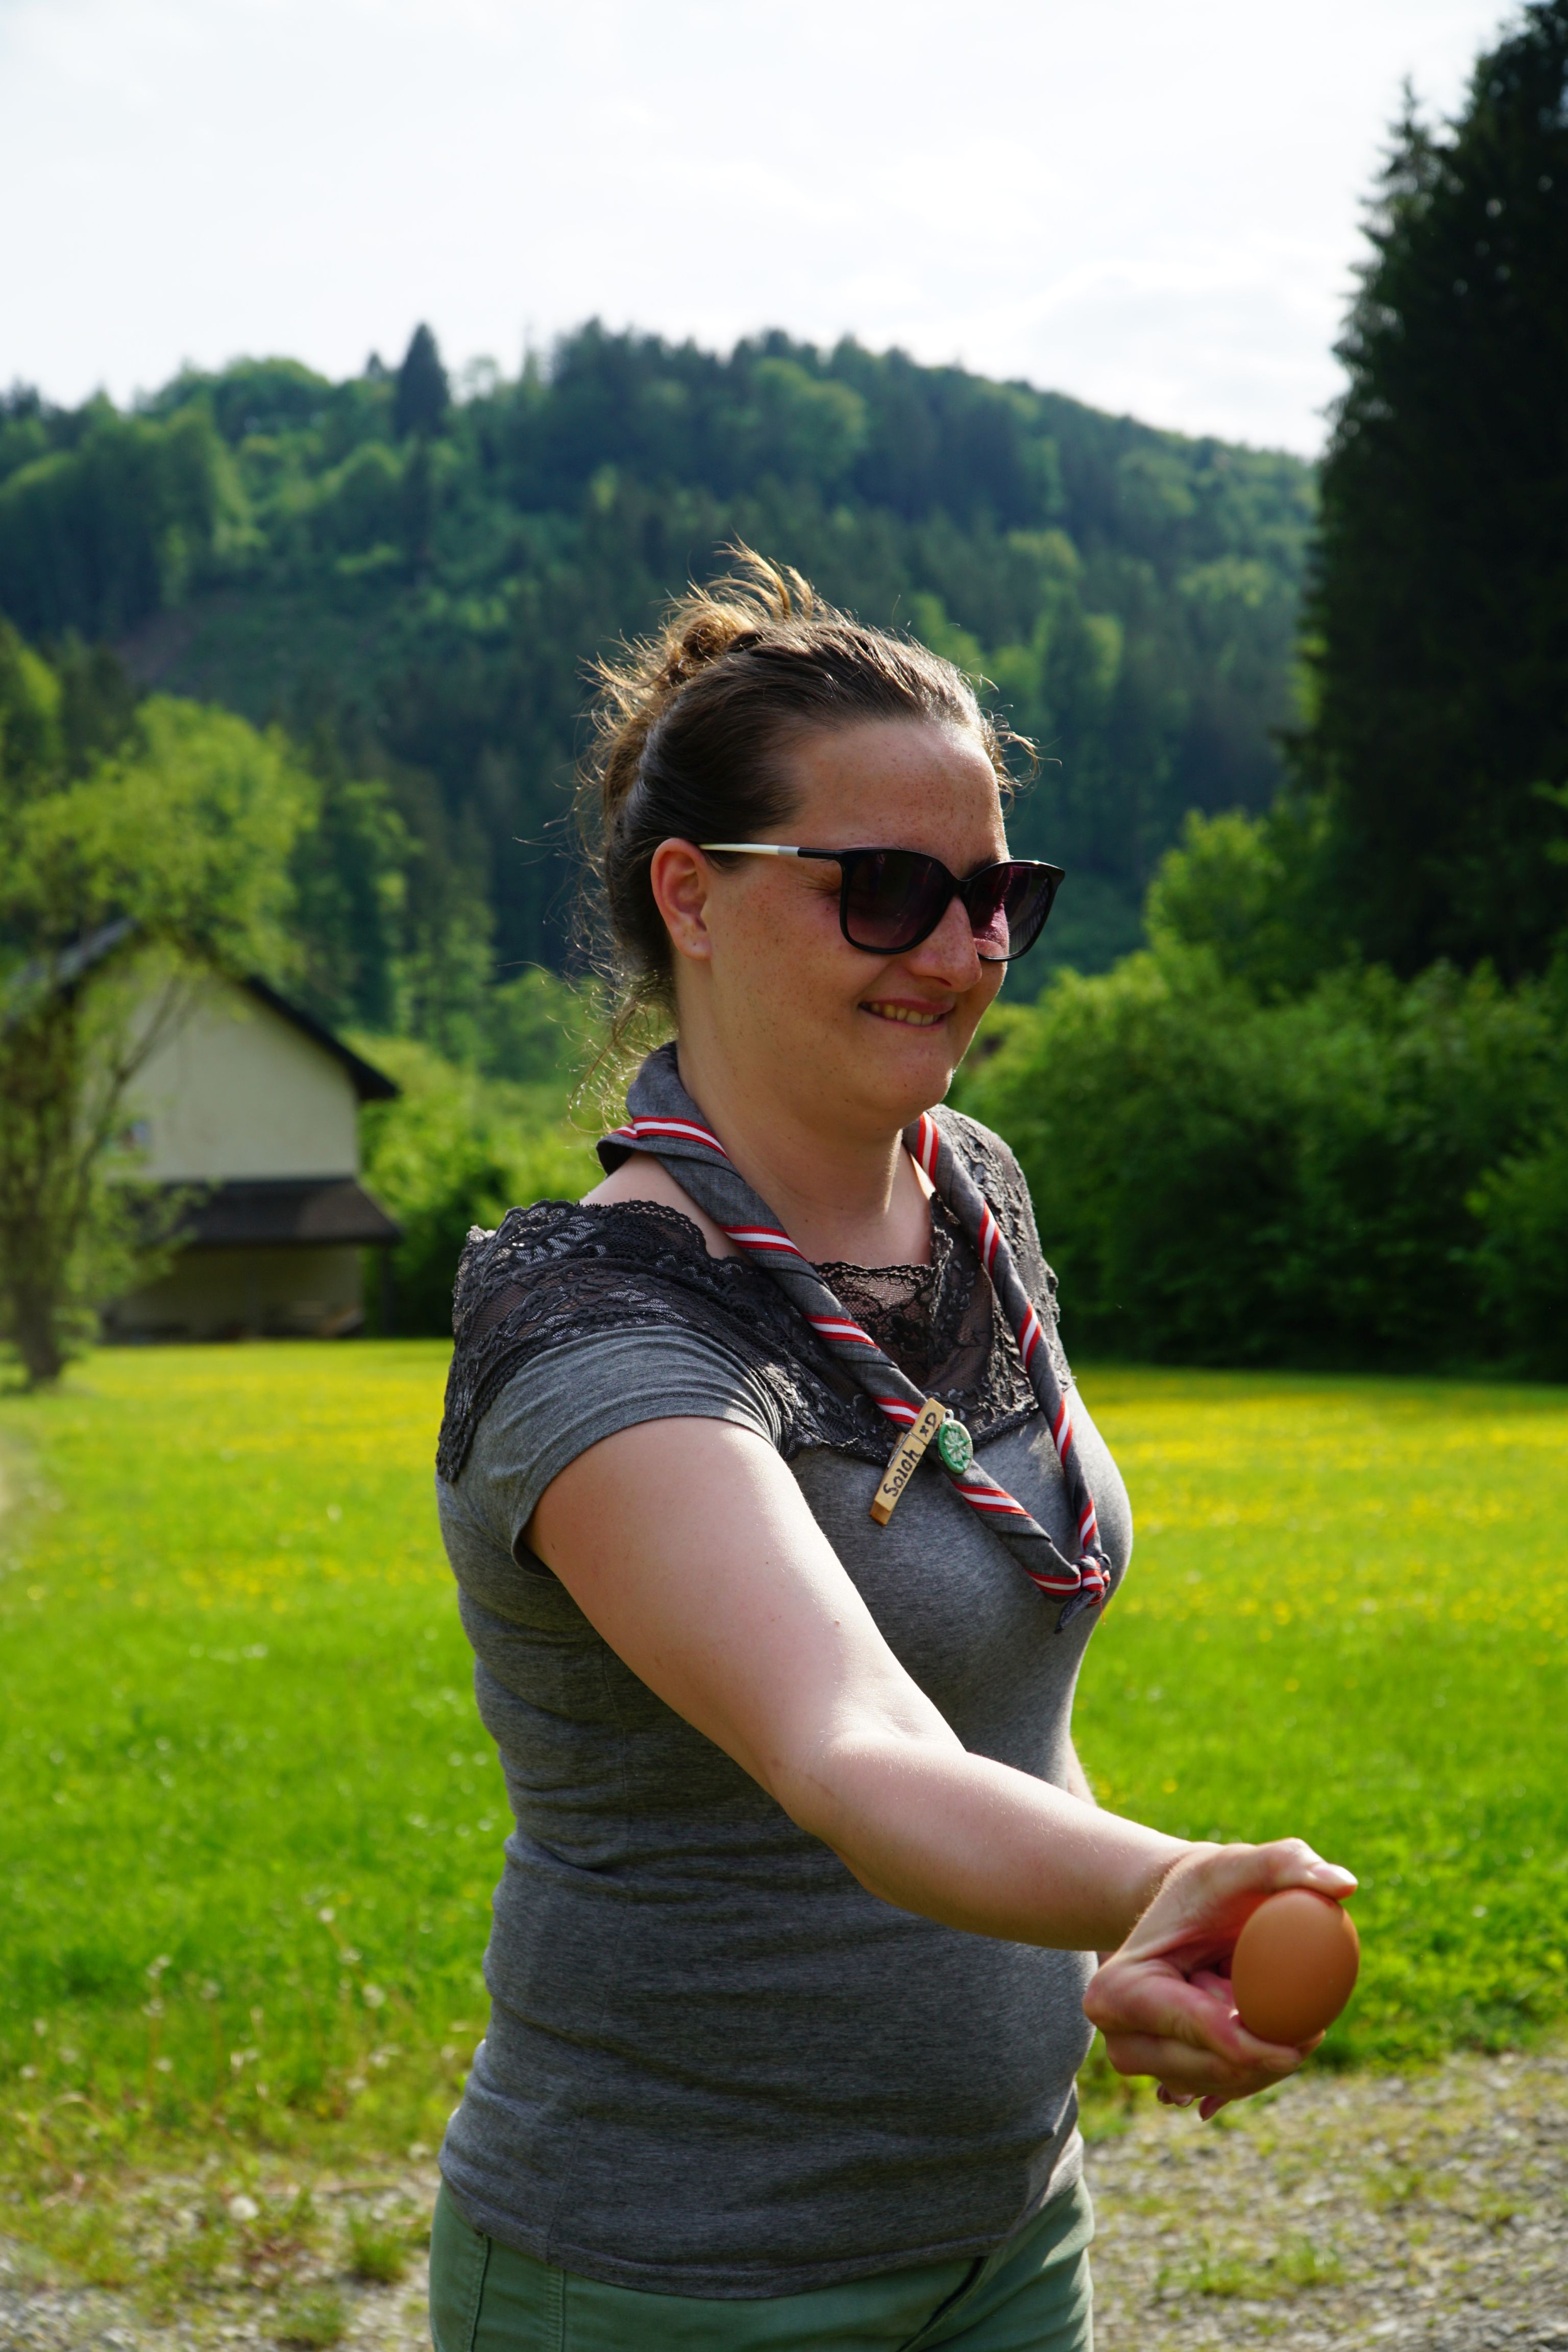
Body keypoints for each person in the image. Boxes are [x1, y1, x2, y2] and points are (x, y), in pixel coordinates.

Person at [427, 555, 1356, 2352]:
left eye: (996, 895)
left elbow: (1003, 1701)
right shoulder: (593, 1318)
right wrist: (1162, 1883)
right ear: (690, 896)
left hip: (1010, 2236)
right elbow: (852, 1747)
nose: (960, 953)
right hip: (665, 2285)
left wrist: (1122, 1940)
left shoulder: (974, 1194)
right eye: (887, 892)